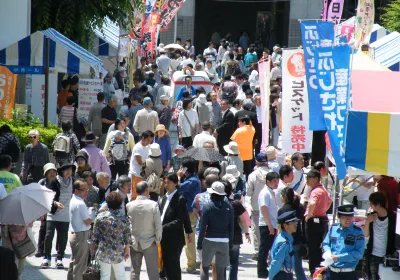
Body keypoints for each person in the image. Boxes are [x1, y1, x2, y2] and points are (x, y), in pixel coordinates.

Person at [41, 163, 75, 269]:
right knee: (48, 235)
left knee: (63, 237)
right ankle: (46, 257)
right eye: (66, 170)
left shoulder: (73, 181)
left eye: (70, 170)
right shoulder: (55, 181)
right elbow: (48, 196)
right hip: (53, 213)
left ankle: (59, 258)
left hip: (66, 214)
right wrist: (55, 203)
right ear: (61, 171)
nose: (69, 172)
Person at [198, 181, 234, 280]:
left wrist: (199, 243)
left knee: (205, 267)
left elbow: (202, 227)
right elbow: (231, 227)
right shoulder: (228, 207)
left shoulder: (207, 207)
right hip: (224, 241)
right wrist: (230, 243)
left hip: (209, 240)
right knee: (220, 270)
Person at [159, 173, 193, 279]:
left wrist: (188, 232)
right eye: (165, 183)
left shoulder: (179, 198)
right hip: (162, 236)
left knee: (173, 266)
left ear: (175, 183)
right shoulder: (164, 197)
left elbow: (180, 220)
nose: (166, 185)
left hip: (174, 238)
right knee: (164, 264)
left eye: (169, 183)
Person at [126, 181, 162, 280]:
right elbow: (158, 225)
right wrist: (158, 240)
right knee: (153, 272)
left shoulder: (129, 205)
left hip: (134, 241)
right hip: (150, 241)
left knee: (134, 272)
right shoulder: (153, 205)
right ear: (147, 191)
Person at [93, 191, 131, 280]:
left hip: (103, 251)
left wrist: (93, 250)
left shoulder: (100, 217)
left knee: (104, 276)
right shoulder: (123, 218)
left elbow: (95, 237)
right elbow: (127, 237)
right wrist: (127, 250)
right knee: (120, 275)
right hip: (118, 251)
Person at [322, 205, 365, 280]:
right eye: (344, 217)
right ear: (339, 217)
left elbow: (358, 254)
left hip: (347, 274)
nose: (348, 220)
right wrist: (328, 252)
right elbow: (326, 243)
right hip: (331, 272)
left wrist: (338, 258)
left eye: (350, 217)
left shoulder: (358, 232)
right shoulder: (333, 228)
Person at [305, 169, 332, 276]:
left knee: (313, 248)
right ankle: (318, 272)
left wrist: (308, 215)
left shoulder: (316, 191)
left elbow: (312, 203)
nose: (307, 181)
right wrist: (323, 210)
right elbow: (329, 202)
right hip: (322, 220)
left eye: (309, 178)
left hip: (314, 221)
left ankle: (313, 272)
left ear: (316, 179)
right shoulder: (323, 190)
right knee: (318, 248)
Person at [177, 157, 201, 273]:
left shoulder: (192, 181)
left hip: (190, 213)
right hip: (187, 212)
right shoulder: (191, 179)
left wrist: (178, 177)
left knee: (189, 240)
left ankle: (191, 265)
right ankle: (192, 262)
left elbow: (176, 188)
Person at [365, 192, 397, 280]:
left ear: (378, 204)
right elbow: (366, 235)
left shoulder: (393, 216)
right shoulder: (371, 216)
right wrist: (367, 222)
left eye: (371, 203)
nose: (370, 205)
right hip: (373, 254)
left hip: (388, 254)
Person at [223, 180, 251, 280]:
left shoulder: (217, 203)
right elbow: (243, 221)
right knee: (234, 262)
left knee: (221, 263)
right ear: (231, 191)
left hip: (221, 237)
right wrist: (247, 232)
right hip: (235, 235)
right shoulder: (236, 204)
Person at [278, 188, 306, 280]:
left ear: (284, 197)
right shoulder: (299, 207)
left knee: (285, 268)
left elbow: (280, 229)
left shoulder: (282, 210)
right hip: (298, 239)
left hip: (286, 241)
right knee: (298, 268)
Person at [246, 152, 270, 259]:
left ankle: (257, 251)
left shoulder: (252, 175)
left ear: (257, 162)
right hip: (270, 206)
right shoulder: (272, 174)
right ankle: (268, 252)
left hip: (256, 206)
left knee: (256, 230)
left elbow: (249, 192)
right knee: (270, 228)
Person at [67, 180, 92, 280]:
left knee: (73, 262)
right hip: (81, 235)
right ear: (76, 190)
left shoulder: (73, 200)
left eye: (87, 189)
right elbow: (87, 221)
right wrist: (92, 215)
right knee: (80, 265)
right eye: (84, 190)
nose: (86, 192)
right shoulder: (80, 203)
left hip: (74, 233)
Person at [257, 171, 279, 278]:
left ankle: (265, 269)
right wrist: (269, 225)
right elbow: (264, 208)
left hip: (271, 224)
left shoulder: (271, 192)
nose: (276, 183)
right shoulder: (265, 192)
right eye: (274, 181)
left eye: (277, 181)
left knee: (269, 248)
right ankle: (261, 271)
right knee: (264, 249)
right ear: (268, 181)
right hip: (266, 224)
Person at [268, 210, 299, 280]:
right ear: (285, 225)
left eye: (296, 222)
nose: (296, 224)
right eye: (293, 222)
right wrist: (270, 277)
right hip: (282, 276)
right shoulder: (284, 242)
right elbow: (277, 262)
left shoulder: (286, 238)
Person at [36, 163, 58, 258]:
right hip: (45, 208)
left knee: (59, 229)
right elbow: (38, 196)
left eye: (54, 172)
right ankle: (40, 249)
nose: (52, 174)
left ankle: (58, 250)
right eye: (50, 172)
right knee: (43, 229)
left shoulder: (59, 182)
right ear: (46, 173)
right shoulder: (42, 182)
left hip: (57, 208)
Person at [129, 130, 154, 200]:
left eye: (151, 141)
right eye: (148, 140)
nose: (149, 142)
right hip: (136, 175)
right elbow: (140, 162)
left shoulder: (148, 146)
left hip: (144, 176)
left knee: (144, 196)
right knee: (134, 196)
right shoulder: (137, 147)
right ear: (143, 138)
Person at [231, 115, 255, 179]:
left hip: (239, 154)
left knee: (239, 172)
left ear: (244, 122)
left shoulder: (238, 130)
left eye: (239, 122)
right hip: (249, 154)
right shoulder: (252, 129)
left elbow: (232, 141)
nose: (238, 123)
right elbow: (250, 124)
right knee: (248, 172)